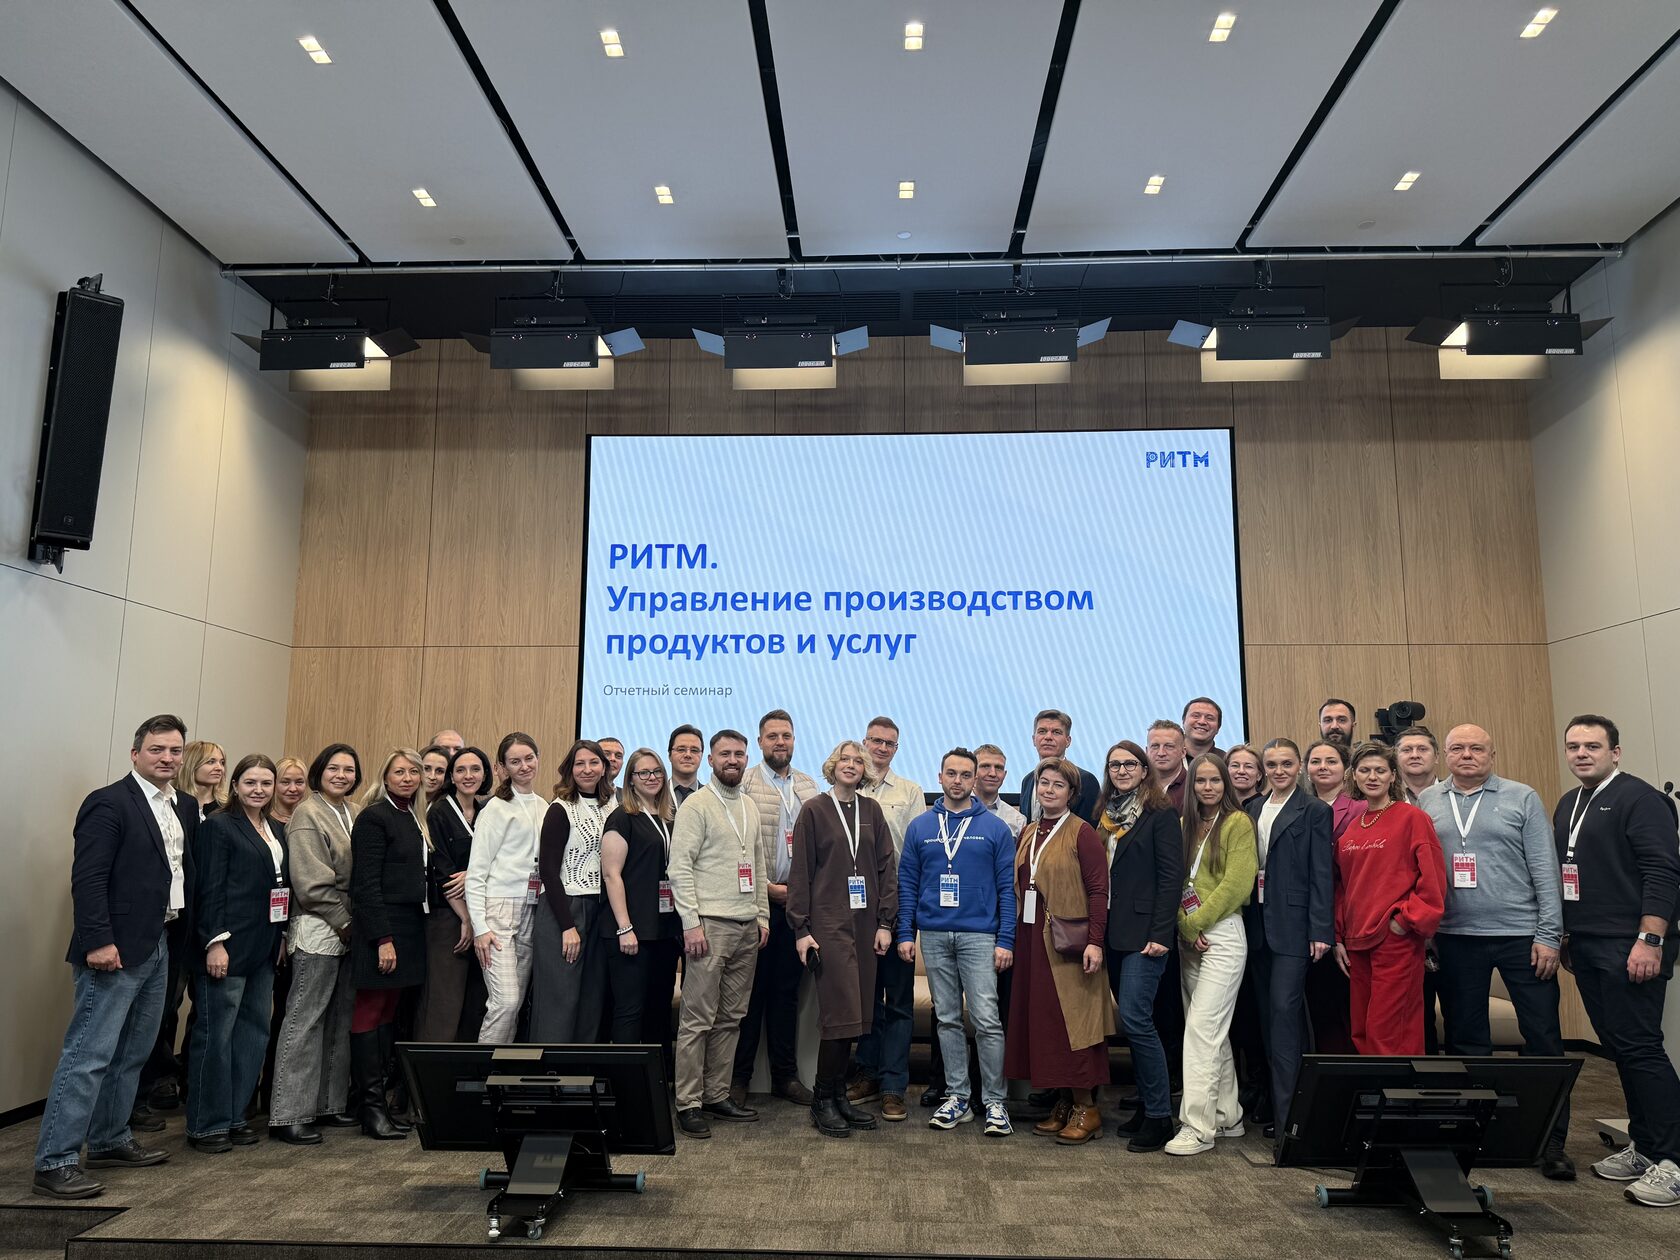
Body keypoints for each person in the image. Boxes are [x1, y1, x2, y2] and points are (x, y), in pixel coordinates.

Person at [33, 716, 193, 1199]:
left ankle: (109, 1139)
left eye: (175, 751)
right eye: (157, 749)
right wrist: (98, 941)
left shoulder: (182, 805)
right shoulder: (108, 802)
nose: (167, 758)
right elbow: (88, 878)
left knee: (133, 1053)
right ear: (135, 753)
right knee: (89, 1055)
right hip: (114, 948)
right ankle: (55, 1160)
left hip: (160, 940)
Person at [1419, 724, 1572, 1179]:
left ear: (1492, 754)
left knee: (1543, 1039)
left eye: (1476, 748)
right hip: (1456, 936)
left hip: (1522, 936)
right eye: (1458, 748)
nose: (1467, 755)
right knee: (1467, 1040)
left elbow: (1545, 869)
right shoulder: (1427, 800)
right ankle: (1476, 1134)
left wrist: (1549, 934)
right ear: (1445, 755)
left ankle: (1550, 1141)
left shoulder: (1521, 797)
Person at [1552, 716, 1680, 1205]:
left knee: (1642, 1048)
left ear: (1616, 752)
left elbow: (1662, 871)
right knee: (1619, 1047)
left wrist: (1650, 939)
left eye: (1592, 746)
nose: (1581, 754)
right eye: (1573, 746)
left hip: (1631, 944)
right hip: (1587, 942)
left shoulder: (1641, 799)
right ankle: (1645, 1146)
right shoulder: (1570, 801)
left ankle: (1673, 1159)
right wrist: (1568, 934)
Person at [896, 749, 1016, 1137]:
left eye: (966, 774)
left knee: (986, 1020)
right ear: (940, 777)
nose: (958, 780)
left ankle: (995, 1101)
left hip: (980, 936)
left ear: (975, 779)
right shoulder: (920, 827)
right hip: (933, 934)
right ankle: (958, 1096)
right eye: (952, 773)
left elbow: (1007, 889)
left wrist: (1006, 940)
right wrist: (905, 933)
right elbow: (908, 884)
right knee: (946, 1019)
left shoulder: (995, 828)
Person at [789, 741, 898, 1138]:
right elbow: (800, 873)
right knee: (839, 1013)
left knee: (858, 1016)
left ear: (865, 769)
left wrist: (886, 923)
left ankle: (839, 1096)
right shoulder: (814, 810)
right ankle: (822, 1099)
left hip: (866, 925)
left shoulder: (872, 811)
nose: (851, 765)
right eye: (844, 760)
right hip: (828, 924)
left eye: (858, 761)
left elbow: (886, 869)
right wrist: (801, 929)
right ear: (832, 766)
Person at [1005, 757, 1112, 1145]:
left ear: (1072, 793)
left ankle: (1087, 1108)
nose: (1048, 790)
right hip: (1032, 941)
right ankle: (1065, 1103)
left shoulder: (1083, 833)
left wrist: (1095, 942)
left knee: (1074, 1025)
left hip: (1069, 945)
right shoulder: (1029, 831)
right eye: (1044, 783)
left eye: (1058, 785)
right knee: (1047, 1025)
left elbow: (1099, 891)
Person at [185, 755, 287, 1153]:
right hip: (227, 946)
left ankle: (235, 1116)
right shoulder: (219, 826)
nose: (258, 790)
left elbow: (279, 888)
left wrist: (281, 936)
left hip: (264, 946)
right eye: (250, 782)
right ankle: (206, 1125)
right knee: (216, 1036)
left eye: (266, 783)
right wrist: (214, 942)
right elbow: (208, 888)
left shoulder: (275, 829)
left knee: (254, 1033)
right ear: (235, 785)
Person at [667, 730, 767, 1138]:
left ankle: (716, 1094)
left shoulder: (749, 806)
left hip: (747, 927)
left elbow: (757, 864)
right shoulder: (697, 805)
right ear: (710, 760)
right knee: (697, 1019)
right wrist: (690, 923)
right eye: (725, 753)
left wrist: (763, 917)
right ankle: (688, 1102)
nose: (733, 760)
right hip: (709, 926)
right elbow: (679, 867)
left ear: (746, 759)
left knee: (731, 1018)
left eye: (739, 754)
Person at [268, 744, 362, 1144]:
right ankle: (289, 1114)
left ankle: (327, 1104)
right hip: (321, 926)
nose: (341, 775)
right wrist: (344, 922)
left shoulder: (353, 811)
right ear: (320, 772)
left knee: (340, 1019)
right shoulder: (308, 812)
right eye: (334, 768)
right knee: (305, 1020)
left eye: (349, 769)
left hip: (350, 927)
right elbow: (310, 883)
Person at [1243, 737, 1333, 1139]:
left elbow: (1322, 873)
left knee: (1284, 1016)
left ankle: (1290, 1125)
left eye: (1286, 764)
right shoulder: (1253, 808)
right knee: (1268, 1019)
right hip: (1257, 928)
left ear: (1299, 767)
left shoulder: (1313, 810)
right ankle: (1285, 1113)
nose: (1279, 771)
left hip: (1295, 928)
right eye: (1272, 765)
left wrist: (1321, 929)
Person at [1170, 753, 1257, 1157]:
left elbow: (1237, 885)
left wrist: (1197, 923)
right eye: (1201, 781)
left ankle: (1197, 1127)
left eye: (1215, 780)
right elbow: (1175, 882)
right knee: (1209, 1031)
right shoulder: (1184, 825)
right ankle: (1227, 1114)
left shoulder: (1238, 823)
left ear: (1226, 784)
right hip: (1190, 936)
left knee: (1201, 1031)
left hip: (1222, 933)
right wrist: (1186, 925)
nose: (1208, 787)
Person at [1332, 742, 1445, 1055]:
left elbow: (1433, 879)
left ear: (1393, 775)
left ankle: (1397, 1087)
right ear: (1354, 776)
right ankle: (1374, 1086)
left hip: (1395, 940)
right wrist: (1339, 935)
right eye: (1365, 770)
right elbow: (1344, 887)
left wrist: (1404, 922)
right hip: (1357, 942)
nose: (1372, 777)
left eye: (1380, 770)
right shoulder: (1352, 828)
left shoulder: (1412, 818)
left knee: (1391, 1029)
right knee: (1362, 1029)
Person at [1098, 740, 1181, 1153]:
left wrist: (1161, 934)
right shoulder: (1104, 815)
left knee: (1136, 1018)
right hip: (1112, 934)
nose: (1122, 770)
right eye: (1115, 765)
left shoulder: (1159, 814)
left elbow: (1171, 878)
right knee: (1132, 1022)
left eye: (1130, 763)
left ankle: (1161, 1117)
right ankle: (1147, 1107)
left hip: (1146, 936)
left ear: (1144, 770)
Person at [735, 711, 819, 1106]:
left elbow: (819, 847)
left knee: (786, 995)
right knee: (749, 996)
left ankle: (786, 1077)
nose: (780, 742)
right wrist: (765, 889)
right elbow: (737, 846)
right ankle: (739, 1079)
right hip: (756, 906)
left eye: (786, 735)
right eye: (772, 736)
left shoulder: (808, 786)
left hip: (796, 909)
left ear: (794, 739)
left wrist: (800, 892)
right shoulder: (746, 783)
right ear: (760, 742)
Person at [348, 749, 430, 1140]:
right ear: (385, 776)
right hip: (382, 928)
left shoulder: (414, 816)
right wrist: (382, 939)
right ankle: (370, 1110)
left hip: (410, 926)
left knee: (388, 1013)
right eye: (399, 771)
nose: (407, 777)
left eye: (414, 771)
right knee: (370, 1009)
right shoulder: (374, 817)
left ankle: (378, 1104)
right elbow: (364, 885)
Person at [852, 716, 924, 1120]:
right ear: (864, 742)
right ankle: (867, 1073)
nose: (881, 748)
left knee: (897, 1001)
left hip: (897, 905)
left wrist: (904, 913)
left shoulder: (910, 792)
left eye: (889, 743)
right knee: (866, 998)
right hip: (855, 910)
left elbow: (914, 856)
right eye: (875, 741)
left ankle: (894, 1086)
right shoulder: (848, 786)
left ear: (896, 749)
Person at [599, 749, 682, 1047]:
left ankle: (657, 1076)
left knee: (659, 1010)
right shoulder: (622, 817)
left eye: (657, 771)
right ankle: (627, 1078)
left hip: (664, 931)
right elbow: (611, 874)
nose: (651, 777)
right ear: (631, 779)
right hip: (631, 931)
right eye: (643, 772)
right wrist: (625, 927)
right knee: (629, 1011)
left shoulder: (669, 817)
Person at [467, 735, 547, 1042]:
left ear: (537, 758)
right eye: (515, 761)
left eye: (529, 758)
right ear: (502, 767)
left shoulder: (543, 805)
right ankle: (483, 1068)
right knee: (505, 1002)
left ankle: (501, 1069)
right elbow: (476, 873)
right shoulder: (495, 808)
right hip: (498, 910)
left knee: (517, 1004)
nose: (524, 766)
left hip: (532, 908)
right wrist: (480, 928)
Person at [533, 738, 613, 1042]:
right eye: (580, 763)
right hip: (564, 909)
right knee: (560, 1000)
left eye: (594, 762)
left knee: (592, 1000)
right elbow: (548, 871)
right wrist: (567, 926)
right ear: (570, 769)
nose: (587, 769)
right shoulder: (560, 808)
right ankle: (549, 1067)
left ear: (604, 767)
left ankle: (581, 1068)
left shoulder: (614, 806)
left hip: (600, 909)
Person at [415, 746, 490, 1042]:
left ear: (485, 774)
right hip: (449, 916)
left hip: (481, 915)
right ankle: (431, 1068)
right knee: (444, 999)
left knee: (475, 1001)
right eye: (460, 770)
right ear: (452, 777)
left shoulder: (486, 812)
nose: (468, 775)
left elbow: (494, 862)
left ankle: (464, 1067)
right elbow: (443, 873)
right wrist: (466, 919)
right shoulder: (440, 812)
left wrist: (472, 875)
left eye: (475, 769)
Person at [1017, 710, 1100, 823]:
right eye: (1042, 731)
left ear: (1068, 741)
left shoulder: (1085, 780)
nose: (1048, 737)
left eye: (1056, 732)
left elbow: (1088, 829)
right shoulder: (1027, 781)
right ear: (1034, 739)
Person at [1305, 739, 1364, 838]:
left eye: (1331, 762)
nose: (1322, 767)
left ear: (1346, 769)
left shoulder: (1361, 808)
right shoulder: (1301, 809)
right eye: (1315, 762)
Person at [974, 743, 1027, 838]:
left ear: (1004, 774)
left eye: (998, 768)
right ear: (972, 771)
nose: (993, 773)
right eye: (985, 766)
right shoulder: (954, 811)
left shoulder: (1018, 820)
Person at [175, 740, 228, 821]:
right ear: (191, 766)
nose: (219, 768)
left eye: (222, 763)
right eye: (211, 762)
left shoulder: (229, 807)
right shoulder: (172, 801)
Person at [1146, 721, 1189, 812]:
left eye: (1169, 746)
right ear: (1146, 751)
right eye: (1155, 746)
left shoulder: (1195, 786)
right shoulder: (1137, 786)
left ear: (1183, 752)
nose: (1161, 753)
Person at [1396, 725, 1442, 804]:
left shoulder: (1455, 794)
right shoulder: (1385, 796)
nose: (1415, 755)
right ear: (1395, 757)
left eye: (1422, 749)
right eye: (1407, 750)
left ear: (1436, 757)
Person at [668, 724, 705, 806]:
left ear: (701, 756)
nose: (688, 755)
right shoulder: (654, 795)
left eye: (694, 750)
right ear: (669, 755)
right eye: (681, 749)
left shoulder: (712, 798)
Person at [272, 757, 309, 823]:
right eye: (285, 782)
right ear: (274, 784)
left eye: (299, 782)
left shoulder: (310, 819)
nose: (293, 789)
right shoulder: (261, 821)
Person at [598, 737, 625, 807]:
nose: (613, 759)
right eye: (606, 754)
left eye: (618, 756)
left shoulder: (628, 798)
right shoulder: (577, 794)